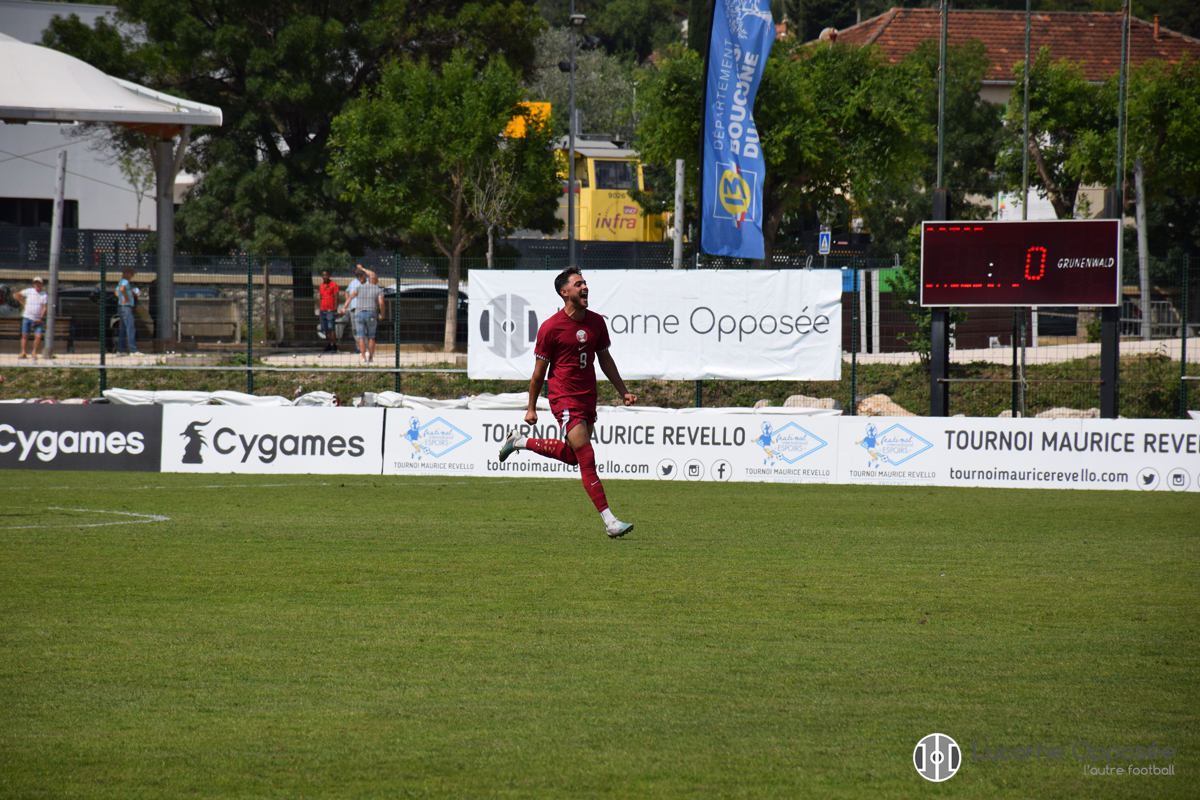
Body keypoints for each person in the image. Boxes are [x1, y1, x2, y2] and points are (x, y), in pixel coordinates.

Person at [498, 267, 638, 538]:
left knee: (574, 457)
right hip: (563, 397)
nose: (585, 287)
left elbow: (605, 360)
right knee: (587, 457)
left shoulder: (596, 322)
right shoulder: (551, 327)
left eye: (585, 283)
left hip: (588, 397)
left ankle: (518, 442)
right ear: (564, 292)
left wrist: (623, 391)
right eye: (578, 284)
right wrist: (531, 407)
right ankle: (610, 521)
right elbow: (538, 373)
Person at [339, 268, 384, 363]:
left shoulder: (359, 287)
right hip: (371, 314)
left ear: (368, 279)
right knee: (371, 337)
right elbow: (381, 303)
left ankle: (363, 358)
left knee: (361, 337)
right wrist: (382, 314)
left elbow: (350, 297)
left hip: (359, 314)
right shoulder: (378, 290)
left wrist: (344, 307)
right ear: (375, 281)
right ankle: (370, 358)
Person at [17, 277, 47, 360]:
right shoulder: (29, 291)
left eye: (39, 283)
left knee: (38, 336)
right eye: (36, 283)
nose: (37, 285)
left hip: (37, 318)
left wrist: (41, 318)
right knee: (25, 335)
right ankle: (23, 352)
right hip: (27, 317)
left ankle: (34, 353)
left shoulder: (44, 294)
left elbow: (44, 307)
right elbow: (17, 295)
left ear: (42, 284)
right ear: (34, 284)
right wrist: (23, 304)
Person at [115, 268, 139, 355]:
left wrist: (121, 298)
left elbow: (116, 292)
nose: (132, 276)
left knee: (123, 329)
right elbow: (122, 289)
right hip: (127, 307)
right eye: (132, 274)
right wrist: (126, 298)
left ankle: (120, 350)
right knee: (130, 328)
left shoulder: (121, 281)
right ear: (128, 273)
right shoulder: (125, 281)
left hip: (121, 307)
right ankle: (133, 350)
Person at [341, 266, 365, 349]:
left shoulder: (367, 282)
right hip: (353, 309)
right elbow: (346, 291)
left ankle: (364, 346)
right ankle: (359, 346)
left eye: (360, 274)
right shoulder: (352, 282)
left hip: (362, 308)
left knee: (363, 328)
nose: (359, 277)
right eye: (357, 275)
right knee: (354, 328)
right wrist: (347, 301)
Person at [317, 270, 340, 352]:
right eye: (323, 275)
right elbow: (320, 297)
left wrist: (335, 309)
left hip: (330, 310)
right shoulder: (321, 286)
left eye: (326, 275)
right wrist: (320, 309)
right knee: (325, 328)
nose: (325, 277)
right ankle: (328, 344)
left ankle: (334, 345)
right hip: (323, 309)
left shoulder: (334, 285)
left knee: (331, 328)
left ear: (329, 275)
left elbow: (336, 298)